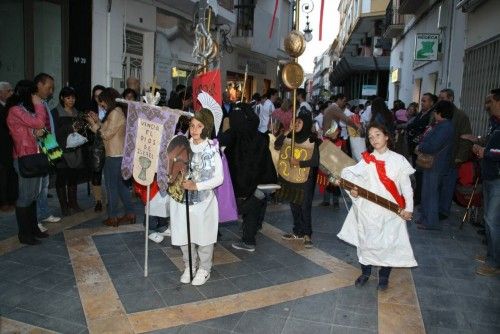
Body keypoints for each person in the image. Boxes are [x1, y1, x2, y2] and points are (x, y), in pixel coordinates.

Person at [337, 123, 417, 291]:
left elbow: (406, 187)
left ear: (387, 136)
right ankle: (365, 273)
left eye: (378, 135)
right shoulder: (367, 160)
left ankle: (384, 276)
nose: (374, 139)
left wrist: (408, 208)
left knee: (388, 243)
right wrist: (354, 191)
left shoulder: (398, 160)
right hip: (369, 211)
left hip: (391, 211)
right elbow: (351, 178)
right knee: (366, 242)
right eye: (371, 137)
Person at [170, 108, 223, 286]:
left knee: (204, 236)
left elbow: (219, 178)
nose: (194, 130)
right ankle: (189, 265)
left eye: (199, 126)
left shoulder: (212, 149)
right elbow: (172, 166)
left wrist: (197, 185)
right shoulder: (182, 144)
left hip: (203, 201)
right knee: (184, 233)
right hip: (182, 199)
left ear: (206, 128)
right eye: (192, 125)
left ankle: (204, 268)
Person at [218, 104, 277, 251]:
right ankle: (249, 240)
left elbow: (217, 142)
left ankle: (215, 233)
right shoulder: (259, 135)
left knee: (236, 207)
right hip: (260, 181)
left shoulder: (233, 134)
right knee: (253, 209)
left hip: (239, 184)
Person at [6, 80, 50, 244]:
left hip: (34, 156)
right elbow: (39, 122)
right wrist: (39, 105)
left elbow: (36, 128)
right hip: (24, 157)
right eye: (33, 93)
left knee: (33, 195)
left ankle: (33, 229)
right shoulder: (15, 110)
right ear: (27, 93)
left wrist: (36, 133)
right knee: (25, 196)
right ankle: (24, 234)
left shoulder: (23, 110)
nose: (36, 97)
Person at [86, 88, 136, 226]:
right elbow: (108, 129)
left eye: (102, 101)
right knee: (121, 187)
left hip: (114, 155)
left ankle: (112, 217)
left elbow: (106, 135)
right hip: (118, 154)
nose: (101, 104)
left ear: (108, 99)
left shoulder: (115, 112)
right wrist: (97, 122)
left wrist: (94, 125)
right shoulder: (117, 112)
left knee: (111, 187)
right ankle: (130, 213)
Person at [466, 89, 500, 277]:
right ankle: (491, 255)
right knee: (490, 220)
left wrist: (485, 151)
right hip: (489, 176)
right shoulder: (494, 123)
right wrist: (479, 142)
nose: (487, 106)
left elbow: (495, 151)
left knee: (493, 221)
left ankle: (495, 263)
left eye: (490, 102)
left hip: (497, 178)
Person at [275, 111, 320, 248]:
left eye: (299, 122)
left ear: (306, 124)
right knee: (294, 204)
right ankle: (298, 231)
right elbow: (277, 144)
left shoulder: (312, 139)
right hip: (291, 176)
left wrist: (299, 163)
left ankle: (307, 234)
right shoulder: (290, 136)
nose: (296, 124)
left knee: (304, 206)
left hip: (306, 178)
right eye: (295, 122)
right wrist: (288, 130)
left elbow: (315, 161)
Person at [415, 100, 455, 230]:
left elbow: (433, 145)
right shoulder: (443, 125)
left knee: (431, 194)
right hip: (436, 164)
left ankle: (430, 222)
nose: (434, 115)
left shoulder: (445, 127)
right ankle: (426, 218)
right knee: (428, 192)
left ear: (440, 113)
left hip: (436, 164)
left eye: (435, 112)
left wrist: (421, 146)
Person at [437, 88, 473, 221]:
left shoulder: (460, 116)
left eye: (442, 98)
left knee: (447, 185)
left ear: (451, 98)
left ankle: (443, 210)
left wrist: (460, 157)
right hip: (437, 157)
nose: (439, 100)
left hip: (452, 157)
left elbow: (465, 138)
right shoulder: (437, 113)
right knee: (437, 185)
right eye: (439, 98)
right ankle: (435, 207)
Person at [50, 86, 84, 216]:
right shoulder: (55, 112)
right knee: (61, 178)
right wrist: (70, 128)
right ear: (62, 98)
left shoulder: (77, 112)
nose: (71, 100)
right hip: (61, 150)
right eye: (68, 98)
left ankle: (73, 203)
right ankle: (64, 206)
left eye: (73, 98)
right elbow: (53, 132)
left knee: (73, 177)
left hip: (75, 150)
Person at [34, 73, 61, 230]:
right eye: (49, 87)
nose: (51, 91)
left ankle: (43, 213)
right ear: (39, 84)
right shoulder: (33, 104)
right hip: (38, 150)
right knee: (36, 187)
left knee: (44, 185)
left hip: (47, 147)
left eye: (52, 88)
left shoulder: (43, 103)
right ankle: (35, 219)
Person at [407, 93, 437, 205]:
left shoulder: (432, 115)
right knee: (417, 173)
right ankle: (417, 196)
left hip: (423, 149)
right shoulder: (421, 113)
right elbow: (414, 125)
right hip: (415, 148)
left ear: (431, 103)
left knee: (421, 174)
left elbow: (426, 130)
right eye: (422, 101)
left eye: (425, 101)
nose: (422, 103)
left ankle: (419, 198)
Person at [88, 85, 106, 212]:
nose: (98, 99)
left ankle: (111, 198)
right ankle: (98, 200)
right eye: (96, 96)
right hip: (96, 146)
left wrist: (98, 121)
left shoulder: (112, 109)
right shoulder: (90, 110)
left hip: (110, 144)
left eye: (101, 95)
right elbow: (90, 129)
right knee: (96, 173)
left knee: (110, 173)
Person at [0, 81, 17, 211]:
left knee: (12, 173)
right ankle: (3, 201)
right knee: (3, 175)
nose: (12, 93)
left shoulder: (12, 107)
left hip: (13, 146)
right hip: (2, 147)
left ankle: (12, 199)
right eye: (9, 91)